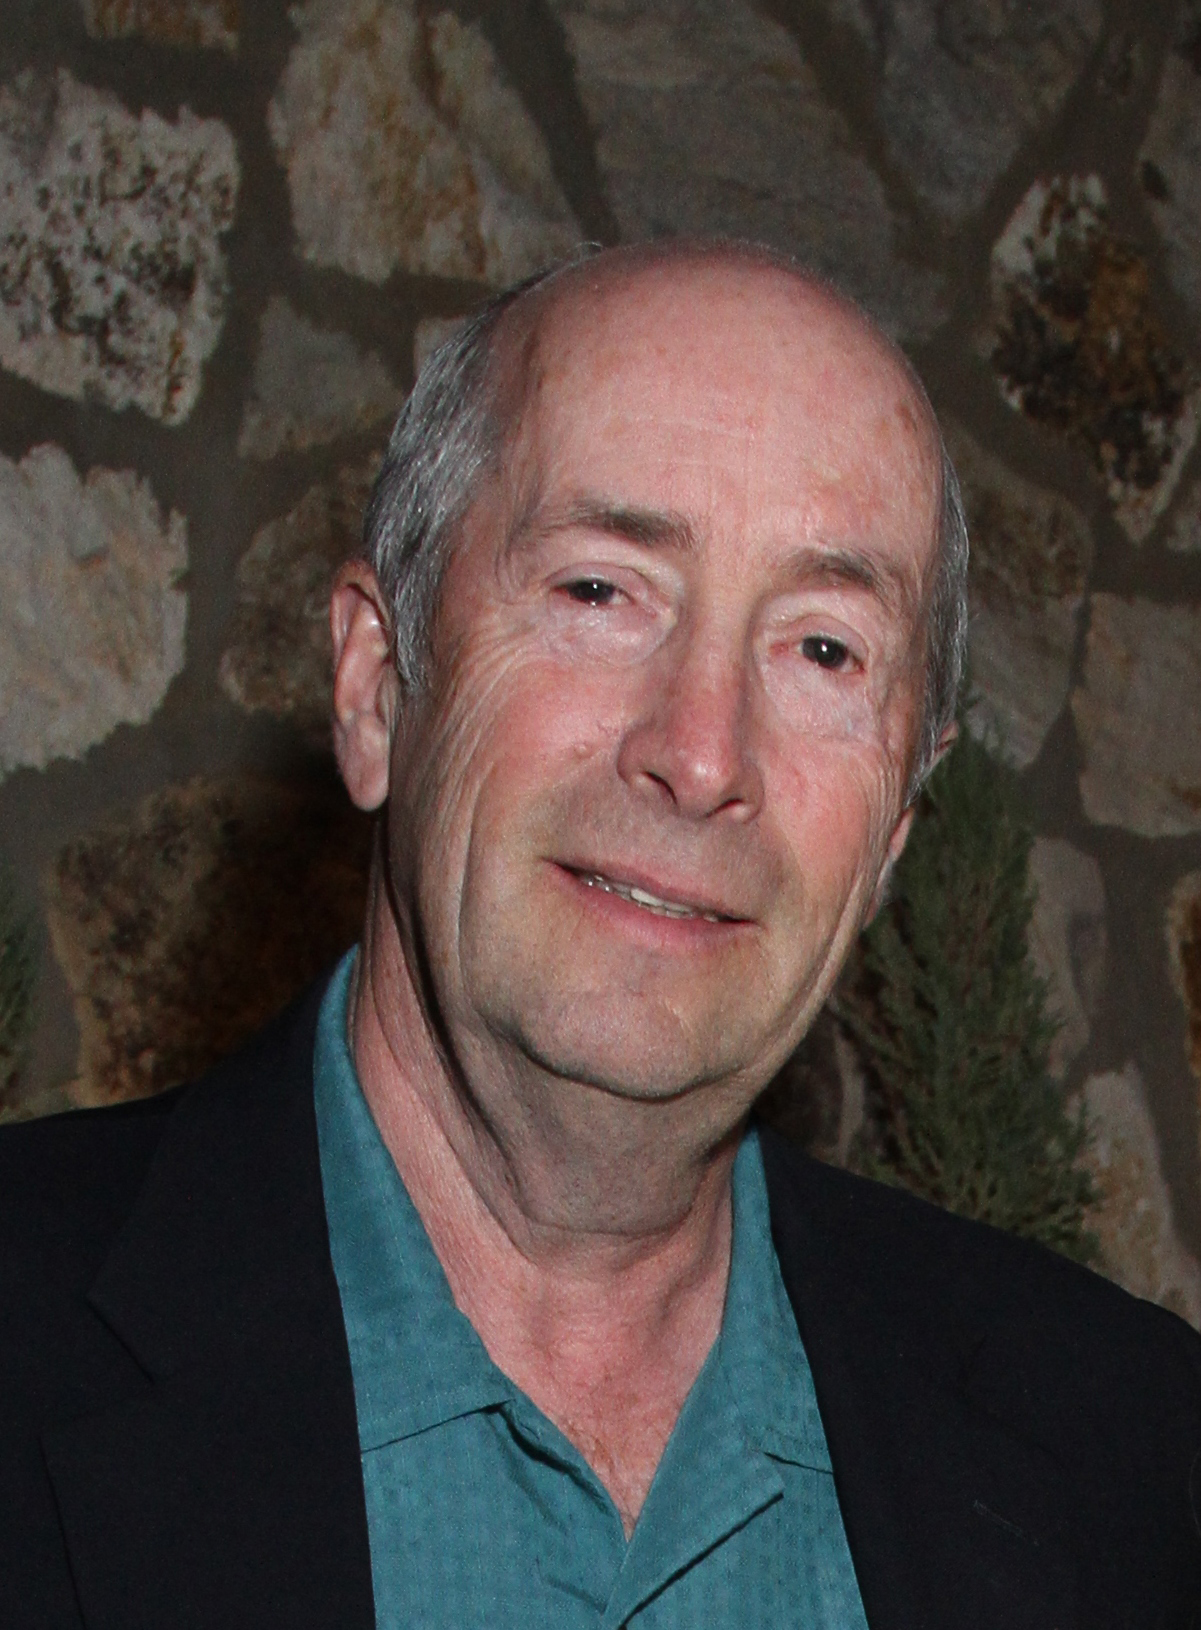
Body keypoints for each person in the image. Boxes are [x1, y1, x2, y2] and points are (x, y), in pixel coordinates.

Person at [2, 240, 1199, 1630]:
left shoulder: (1132, 1461)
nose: (700, 753)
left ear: (889, 839)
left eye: (822, 648)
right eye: (599, 590)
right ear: (379, 688)